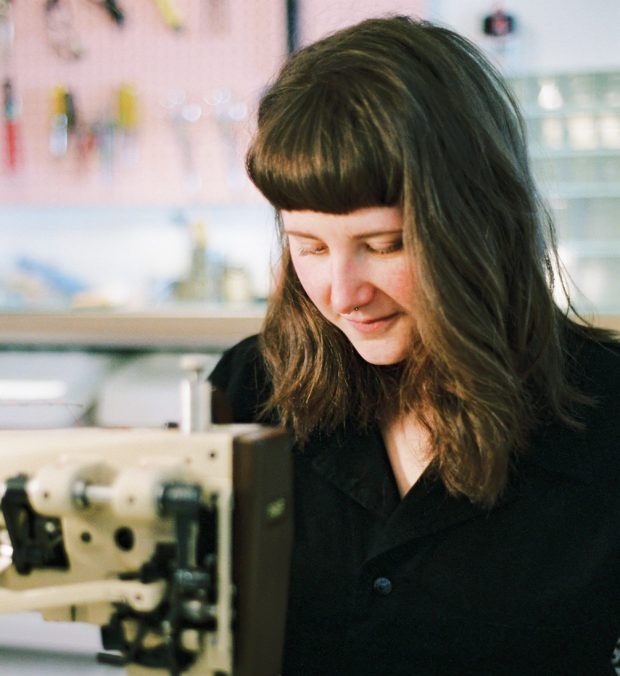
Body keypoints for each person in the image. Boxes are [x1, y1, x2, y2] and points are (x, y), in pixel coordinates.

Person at [209, 15, 620, 676]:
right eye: (309, 246)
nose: (342, 294)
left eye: (384, 245)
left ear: (477, 225)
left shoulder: (606, 417)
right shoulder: (249, 390)